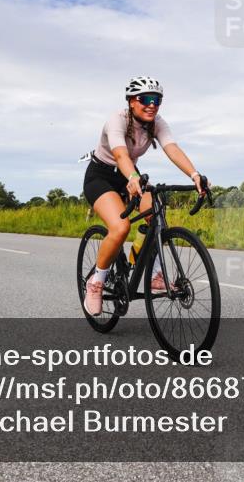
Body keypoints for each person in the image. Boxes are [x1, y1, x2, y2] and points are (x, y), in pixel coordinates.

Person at [82, 76, 205, 316]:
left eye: (157, 100)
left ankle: (154, 274)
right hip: (102, 175)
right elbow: (120, 155)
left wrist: (194, 174)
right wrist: (132, 178)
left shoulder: (157, 123)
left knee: (155, 215)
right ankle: (96, 282)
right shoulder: (116, 120)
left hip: (130, 175)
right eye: (145, 99)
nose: (152, 104)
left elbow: (172, 148)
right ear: (131, 101)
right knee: (120, 228)